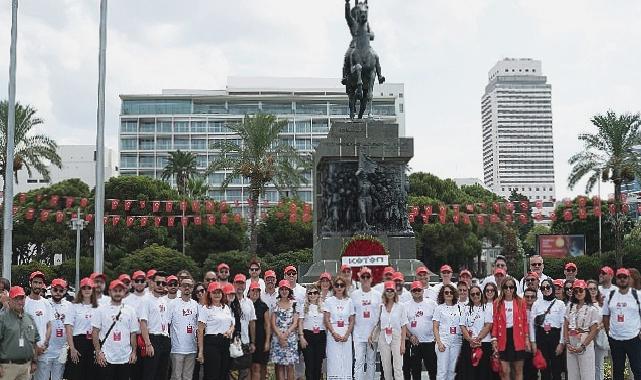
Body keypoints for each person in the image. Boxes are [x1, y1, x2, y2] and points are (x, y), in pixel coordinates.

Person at [92, 280, 139, 380]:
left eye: (120, 290)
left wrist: (134, 352)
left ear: (124, 292)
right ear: (109, 292)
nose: (118, 293)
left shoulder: (130, 310)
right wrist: (98, 352)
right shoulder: (101, 309)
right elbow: (95, 332)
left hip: (125, 357)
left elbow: (133, 334)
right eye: (115, 290)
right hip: (107, 357)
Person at [602, 268, 641, 379]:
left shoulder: (637, 295)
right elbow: (605, 315)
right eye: (620, 277)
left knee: (637, 368)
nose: (623, 279)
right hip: (616, 339)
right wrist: (609, 332)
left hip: (634, 338)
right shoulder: (611, 295)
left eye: (626, 277)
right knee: (618, 369)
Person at [491, 276, 530, 380]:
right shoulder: (497, 303)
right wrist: (494, 338)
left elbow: (525, 321)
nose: (508, 289)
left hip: (518, 336)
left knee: (518, 370)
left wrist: (526, 338)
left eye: (511, 287)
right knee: (504, 370)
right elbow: (494, 321)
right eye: (506, 287)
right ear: (502, 288)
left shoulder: (521, 301)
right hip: (503, 337)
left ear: (515, 288)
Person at [0, 286, 40, 379]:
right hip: (7, 367)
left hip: (26, 366)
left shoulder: (29, 318)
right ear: (10, 300)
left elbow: (34, 341)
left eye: (21, 298)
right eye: (16, 299)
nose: (19, 301)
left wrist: (34, 361)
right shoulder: (2, 318)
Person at [197, 282, 234, 379]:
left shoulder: (225, 307)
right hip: (212, 343)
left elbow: (232, 324)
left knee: (224, 373)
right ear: (209, 294)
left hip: (225, 342)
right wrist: (200, 351)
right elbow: (200, 330)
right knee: (212, 374)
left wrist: (230, 330)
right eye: (214, 292)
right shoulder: (206, 308)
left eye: (219, 292)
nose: (217, 294)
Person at [563, 279, 599, 380]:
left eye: (581, 290)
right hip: (571, 339)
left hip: (585, 339)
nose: (578, 293)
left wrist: (583, 345)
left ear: (585, 291)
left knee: (587, 374)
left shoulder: (592, 309)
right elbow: (566, 325)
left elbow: (593, 331)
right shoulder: (570, 307)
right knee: (573, 374)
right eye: (575, 291)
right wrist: (567, 342)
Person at [531, 278, 566, 380]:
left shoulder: (560, 304)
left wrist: (561, 343)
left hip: (555, 336)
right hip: (541, 336)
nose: (545, 290)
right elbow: (532, 324)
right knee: (544, 367)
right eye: (543, 288)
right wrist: (533, 342)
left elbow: (563, 324)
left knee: (556, 368)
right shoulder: (536, 304)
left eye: (548, 287)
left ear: (552, 288)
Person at [372, 280, 407, 380]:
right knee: (386, 366)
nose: (390, 293)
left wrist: (403, 343)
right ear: (385, 292)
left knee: (398, 366)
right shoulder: (381, 307)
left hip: (396, 335)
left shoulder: (401, 306)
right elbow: (377, 323)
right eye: (388, 290)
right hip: (383, 335)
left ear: (395, 292)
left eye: (392, 290)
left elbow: (403, 325)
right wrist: (371, 335)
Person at [139, 271, 171, 380]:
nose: (161, 286)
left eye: (163, 283)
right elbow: (143, 323)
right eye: (158, 283)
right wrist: (148, 343)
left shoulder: (164, 300)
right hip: (153, 339)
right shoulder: (146, 299)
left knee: (162, 374)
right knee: (150, 373)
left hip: (165, 338)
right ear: (152, 283)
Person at [65, 277, 98, 380]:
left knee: (91, 374)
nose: (87, 290)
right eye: (84, 288)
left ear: (93, 290)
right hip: (78, 342)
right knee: (76, 375)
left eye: (89, 288)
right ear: (80, 290)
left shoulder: (97, 307)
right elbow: (68, 328)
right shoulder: (74, 306)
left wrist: (98, 349)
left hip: (93, 342)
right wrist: (72, 348)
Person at [351, 267, 381, 380]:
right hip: (358, 333)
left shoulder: (377, 295)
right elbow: (351, 314)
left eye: (367, 276)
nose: (365, 279)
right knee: (358, 361)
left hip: (372, 335)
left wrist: (375, 332)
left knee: (371, 361)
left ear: (371, 278)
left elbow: (380, 315)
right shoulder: (354, 295)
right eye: (363, 276)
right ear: (359, 278)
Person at [405, 280, 438, 380]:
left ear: (423, 291)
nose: (417, 292)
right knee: (415, 370)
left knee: (433, 369)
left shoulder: (432, 304)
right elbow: (403, 324)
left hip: (429, 341)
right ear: (411, 292)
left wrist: (437, 337)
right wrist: (410, 336)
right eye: (414, 290)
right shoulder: (405, 306)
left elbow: (437, 322)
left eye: (419, 290)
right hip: (414, 343)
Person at [37, 278, 69, 380]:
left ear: (65, 291)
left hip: (61, 350)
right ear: (51, 290)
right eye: (55, 290)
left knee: (58, 378)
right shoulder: (44, 303)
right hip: (46, 350)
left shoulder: (69, 306)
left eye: (61, 290)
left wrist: (68, 346)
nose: (58, 293)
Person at [323, 276, 355, 380]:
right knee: (334, 359)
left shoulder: (349, 301)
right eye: (337, 285)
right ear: (334, 287)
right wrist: (333, 333)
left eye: (342, 285)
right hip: (333, 332)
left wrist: (347, 334)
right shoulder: (329, 301)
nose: (339, 287)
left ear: (345, 287)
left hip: (346, 331)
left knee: (345, 359)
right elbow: (327, 319)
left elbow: (352, 319)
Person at [459, 284, 492, 380]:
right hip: (469, 344)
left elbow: (488, 325)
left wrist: (478, 339)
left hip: (483, 343)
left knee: (483, 372)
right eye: (472, 294)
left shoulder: (486, 308)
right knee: (470, 373)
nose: (475, 296)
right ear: (470, 296)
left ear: (481, 294)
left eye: (477, 293)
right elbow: (462, 326)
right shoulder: (465, 308)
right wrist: (470, 340)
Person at [168, 277, 198, 380]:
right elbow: (167, 324)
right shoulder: (173, 304)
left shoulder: (195, 304)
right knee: (176, 377)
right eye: (184, 285)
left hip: (192, 348)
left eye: (189, 286)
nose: (187, 287)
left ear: (192, 288)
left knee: (188, 377)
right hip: (177, 348)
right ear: (180, 287)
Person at [24, 271, 53, 380]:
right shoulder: (24, 302)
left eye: (40, 283)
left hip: (43, 351)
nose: (37, 285)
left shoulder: (46, 303)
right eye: (35, 282)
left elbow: (49, 325)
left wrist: (45, 344)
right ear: (30, 283)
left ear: (43, 285)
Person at [270, 280, 299, 380]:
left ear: (289, 291)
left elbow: (295, 323)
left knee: (290, 365)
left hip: (290, 339)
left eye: (286, 289)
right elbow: (273, 323)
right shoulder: (275, 304)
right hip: (277, 338)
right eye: (282, 289)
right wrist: (280, 335)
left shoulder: (294, 304)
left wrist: (286, 334)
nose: (284, 291)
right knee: (280, 366)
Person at [432, 283, 462, 380]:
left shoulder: (460, 307)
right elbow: (435, 327)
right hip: (443, 341)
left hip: (456, 342)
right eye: (446, 292)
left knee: (452, 370)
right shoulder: (439, 308)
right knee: (442, 370)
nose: (449, 294)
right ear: (443, 294)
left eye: (451, 292)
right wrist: (439, 342)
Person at [232, 274, 257, 380]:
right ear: (233, 284)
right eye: (238, 283)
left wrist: (252, 342)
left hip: (245, 341)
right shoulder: (228, 301)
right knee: (230, 370)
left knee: (245, 371)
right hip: (231, 341)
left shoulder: (249, 302)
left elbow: (252, 323)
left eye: (242, 283)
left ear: (245, 285)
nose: (240, 286)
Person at [299, 284, 326, 380]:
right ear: (307, 295)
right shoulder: (303, 306)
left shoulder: (324, 306)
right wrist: (301, 337)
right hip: (308, 335)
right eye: (310, 293)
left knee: (318, 364)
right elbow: (300, 322)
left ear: (318, 294)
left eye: (315, 293)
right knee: (309, 364)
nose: (312, 295)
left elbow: (327, 321)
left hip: (320, 336)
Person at [248, 282, 270, 380]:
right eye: (253, 290)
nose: (255, 292)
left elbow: (267, 324)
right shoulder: (244, 304)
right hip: (247, 338)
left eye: (258, 291)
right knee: (249, 367)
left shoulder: (263, 306)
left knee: (260, 366)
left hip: (261, 339)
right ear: (249, 292)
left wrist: (267, 341)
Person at [588, 279, 608, 380]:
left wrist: (598, 327)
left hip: (599, 337)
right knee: (588, 366)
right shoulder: (584, 304)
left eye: (594, 289)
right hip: (586, 338)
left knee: (599, 365)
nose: (592, 291)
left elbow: (607, 318)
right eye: (590, 289)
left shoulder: (602, 304)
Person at [522, 288, 538, 380]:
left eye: (532, 297)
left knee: (534, 373)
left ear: (536, 298)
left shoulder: (540, 310)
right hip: (522, 346)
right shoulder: (519, 310)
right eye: (527, 296)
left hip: (537, 345)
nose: (529, 298)